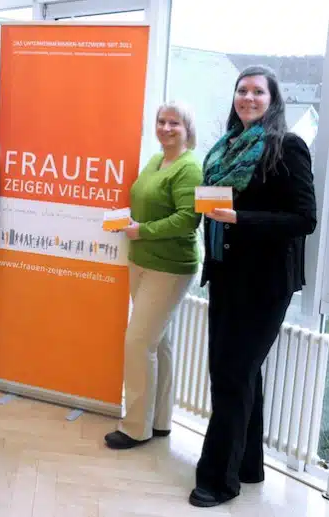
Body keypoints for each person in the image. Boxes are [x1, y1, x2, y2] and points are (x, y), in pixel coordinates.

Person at [189, 65, 316, 508]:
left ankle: (217, 479)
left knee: (230, 374)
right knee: (241, 375)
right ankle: (246, 465)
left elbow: (305, 219)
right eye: (242, 90)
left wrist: (240, 219)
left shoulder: (288, 147)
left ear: (273, 99)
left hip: (264, 284)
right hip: (225, 275)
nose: (248, 98)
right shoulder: (224, 149)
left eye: (258, 92)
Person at [103, 103, 203, 450]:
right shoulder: (156, 160)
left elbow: (188, 220)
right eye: (161, 121)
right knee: (158, 343)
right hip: (143, 260)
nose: (166, 127)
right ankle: (159, 421)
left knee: (138, 342)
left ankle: (135, 427)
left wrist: (142, 230)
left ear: (187, 128)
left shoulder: (189, 168)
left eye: (174, 122)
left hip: (169, 266)